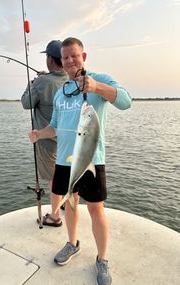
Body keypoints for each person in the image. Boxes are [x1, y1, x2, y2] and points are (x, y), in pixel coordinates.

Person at [28, 37, 132, 285]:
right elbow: (55, 127)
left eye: (74, 55)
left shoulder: (100, 80)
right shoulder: (61, 92)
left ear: (83, 57)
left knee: (96, 209)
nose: (70, 60)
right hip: (64, 162)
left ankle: (102, 259)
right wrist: (39, 134)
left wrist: (96, 88)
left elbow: (126, 101)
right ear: (61, 62)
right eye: (65, 57)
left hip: (92, 160)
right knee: (70, 204)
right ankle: (72, 243)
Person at [21, 40, 68, 227]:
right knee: (65, 173)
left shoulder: (41, 82)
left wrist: (31, 84)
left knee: (53, 178)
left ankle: (55, 217)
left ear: (50, 59)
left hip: (47, 140)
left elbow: (26, 103)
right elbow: (55, 81)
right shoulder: (70, 80)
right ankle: (65, 204)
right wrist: (45, 77)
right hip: (68, 140)